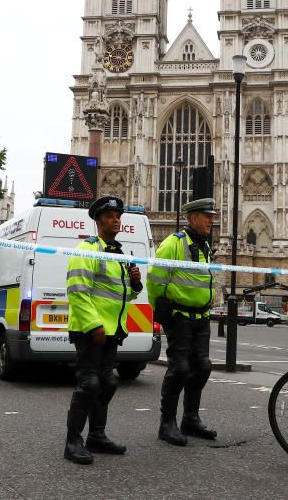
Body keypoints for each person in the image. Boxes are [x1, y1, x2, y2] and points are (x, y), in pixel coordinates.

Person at [63, 195, 143, 465]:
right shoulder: (87, 249)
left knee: (108, 381)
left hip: (112, 330)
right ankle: (73, 441)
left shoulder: (119, 254)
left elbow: (121, 296)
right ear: (98, 221)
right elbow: (77, 291)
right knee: (89, 383)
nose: (116, 220)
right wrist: (93, 324)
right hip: (91, 330)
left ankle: (97, 435)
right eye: (110, 216)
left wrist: (135, 285)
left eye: (118, 216)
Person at [148, 197, 217, 446]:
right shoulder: (172, 244)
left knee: (203, 367)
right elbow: (155, 280)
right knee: (179, 369)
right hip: (179, 317)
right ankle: (167, 424)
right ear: (192, 218)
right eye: (206, 215)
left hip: (201, 318)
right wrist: (162, 310)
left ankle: (190, 419)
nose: (212, 219)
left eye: (212, 215)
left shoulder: (205, 246)